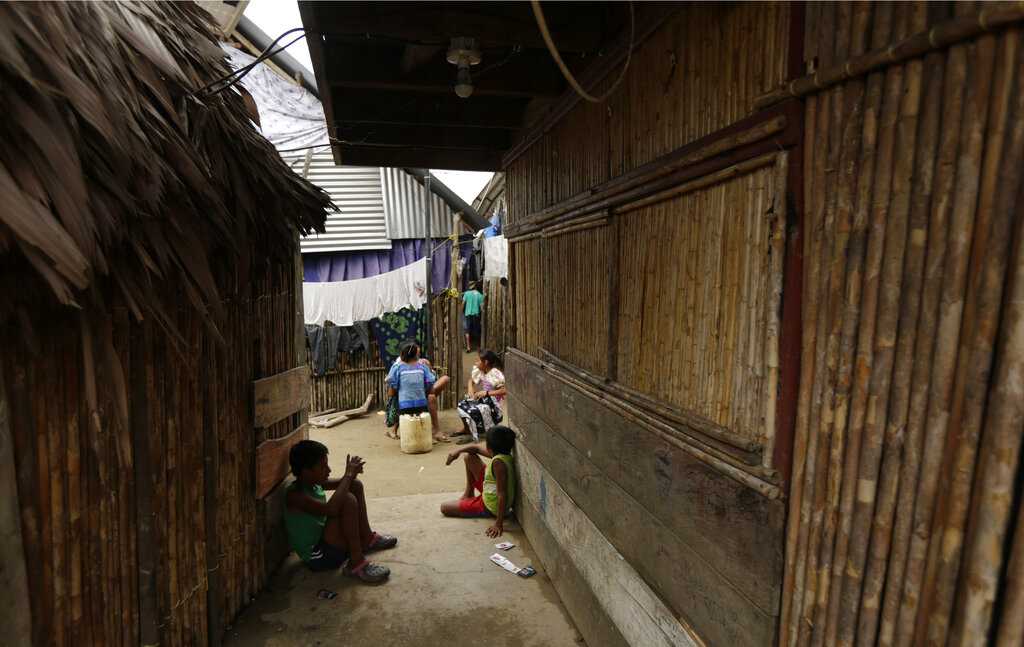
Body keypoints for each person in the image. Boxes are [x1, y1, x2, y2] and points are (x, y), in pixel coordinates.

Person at [284, 440, 395, 582]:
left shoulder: (313, 484)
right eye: (323, 467)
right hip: (318, 557)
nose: (329, 470)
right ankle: (356, 562)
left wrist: (351, 475)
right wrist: (347, 476)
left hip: (327, 543)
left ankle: (366, 539)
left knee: (354, 484)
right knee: (346, 500)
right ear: (306, 471)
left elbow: (346, 483)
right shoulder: (295, 496)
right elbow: (331, 509)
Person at [440, 425, 516, 538]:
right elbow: (476, 449)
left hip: (489, 506)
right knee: (469, 457)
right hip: (489, 489)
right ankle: (468, 494)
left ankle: (474, 501)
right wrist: (458, 450)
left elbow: (502, 494)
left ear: (488, 446)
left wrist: (498, 524)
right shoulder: (503, 454)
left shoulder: (498, 463)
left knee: (444, 507)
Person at [384, 338, 451, 442]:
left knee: (395, 400)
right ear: (417, 352)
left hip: (403, 408)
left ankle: (391, 426)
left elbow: (391, 393)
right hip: (422, 407)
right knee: (429, 396)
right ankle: (435, 431)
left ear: (401, 354)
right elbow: (431, 390)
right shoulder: (423, 366)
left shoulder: (397, 368)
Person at [453, 348, 505, 444]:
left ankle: (485, 429)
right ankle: (466, 428)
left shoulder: (495, 373)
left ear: (485, 362)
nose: (476, 363)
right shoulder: (481, 371)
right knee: (462, 404)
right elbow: (471, 381)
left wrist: (486, 393)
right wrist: (470, 389)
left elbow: (504, 390)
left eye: (478, 361)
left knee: (473, 410)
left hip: (494, 403)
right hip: (484, 399)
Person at [461, 283, 484, 352]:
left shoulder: (467, 293)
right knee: (477, 331)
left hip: (467, 314)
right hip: (475, 315)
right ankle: (478, 346)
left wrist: (462, 311)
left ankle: (468, 347)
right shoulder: (480, 296)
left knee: (467, 330)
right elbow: (481, 309)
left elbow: (463, 303)